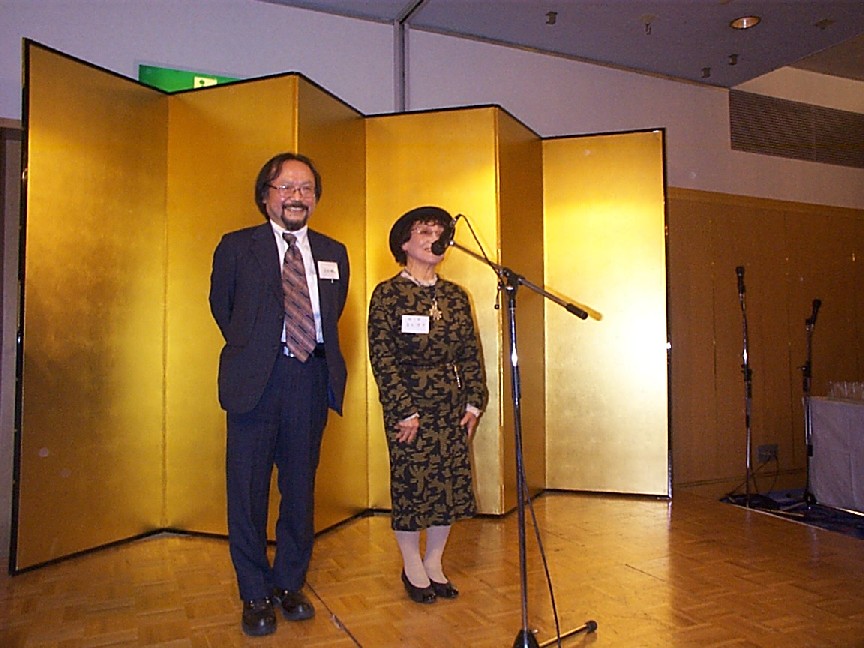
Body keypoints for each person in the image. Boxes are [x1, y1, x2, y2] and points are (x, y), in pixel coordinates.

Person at [209, 152, 349, 636]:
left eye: (306, 188)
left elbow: (333, 309)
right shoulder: (236, 246)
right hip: (256, 382)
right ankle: (254, 592)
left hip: (309, 379)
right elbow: (223, 307)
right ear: (265, 195)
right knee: (247, 492)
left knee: (300, 490)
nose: (296, 196)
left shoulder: (333, 252)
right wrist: (261, 349)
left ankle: (289, 583)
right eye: (286, 187)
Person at [368, 205, 488, 604]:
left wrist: (473, 402)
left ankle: (434, 562)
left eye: (439, 232)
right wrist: (403, 409)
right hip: (408, 406)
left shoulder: (455, 296)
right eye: (424, 231)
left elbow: (469, 351)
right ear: (403, 243)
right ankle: (411, 565)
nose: (433, 238)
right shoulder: (387, 294)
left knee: (447, 485)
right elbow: (382, 357)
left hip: (450, 405)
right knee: (412, 485)